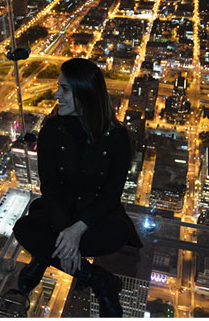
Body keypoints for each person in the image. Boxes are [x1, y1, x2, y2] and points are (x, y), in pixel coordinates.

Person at [13, 58, 141, 317]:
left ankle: (44, 257)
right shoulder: (51, 130)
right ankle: (99, 280)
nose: (57, 94)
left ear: (86, 93)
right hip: (59, 208)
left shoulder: (117, 138)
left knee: (116, 234)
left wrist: (76, 230)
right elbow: (49, 187)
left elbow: (111, 194)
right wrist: (65, 232)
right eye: (58, 87)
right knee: (22, 229)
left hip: (96, 212)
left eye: (65, 89)